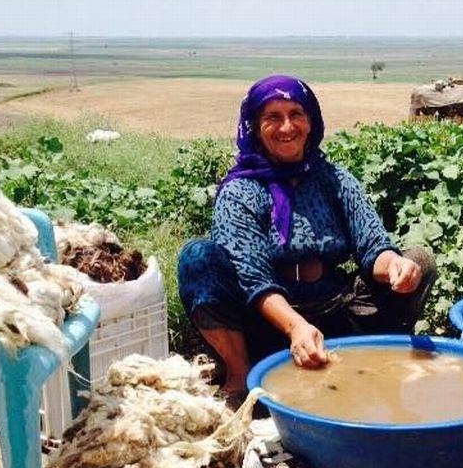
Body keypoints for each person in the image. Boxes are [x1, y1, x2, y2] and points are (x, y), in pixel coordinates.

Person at [177, 74, 436, 395]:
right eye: (273, 117)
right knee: (197, 258)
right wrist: (295, 326)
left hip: (336, 307)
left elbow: (373, 247)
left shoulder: (335, 179)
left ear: (311, 122)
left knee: (418, 261)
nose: (287, 127)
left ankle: (376, 355)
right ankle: (241, 373)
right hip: (266, 319)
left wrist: (395, 267)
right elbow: (252, 279)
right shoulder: (240, 191)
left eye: (296, 114)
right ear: (255, 127)